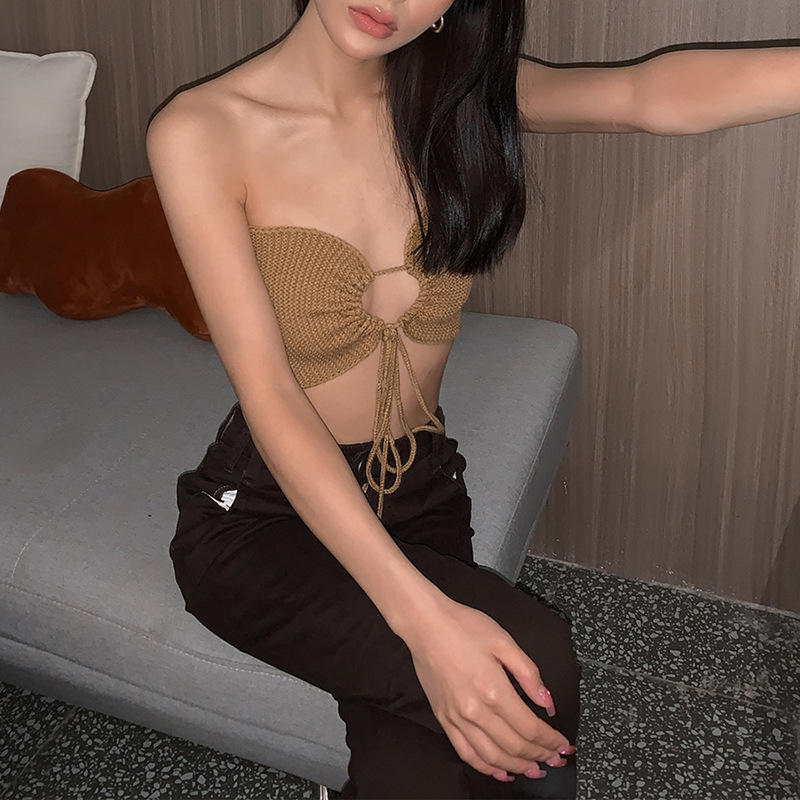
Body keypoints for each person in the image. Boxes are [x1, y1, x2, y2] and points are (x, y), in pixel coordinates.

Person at [145, 2, 800, 797]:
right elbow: (271, 394)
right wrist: (425, 621)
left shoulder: (455, 94)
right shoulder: (202, 131)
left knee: (422, 769)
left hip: (418, 492)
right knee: (532, 666)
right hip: (264, 518)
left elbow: (646, 96)